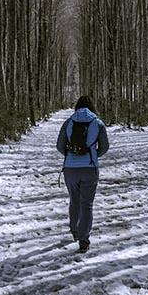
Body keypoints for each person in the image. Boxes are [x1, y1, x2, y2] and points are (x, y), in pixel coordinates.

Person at [56, 95, 110, 253]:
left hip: (70, 169)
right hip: (90, 169)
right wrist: (93, 156)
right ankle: (83, 240)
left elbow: (59, 146)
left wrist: (70, 156)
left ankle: (74, 230)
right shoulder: (98, 123)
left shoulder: (68, 122)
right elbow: (105, 147)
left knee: (74, 200)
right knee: (87, 204)